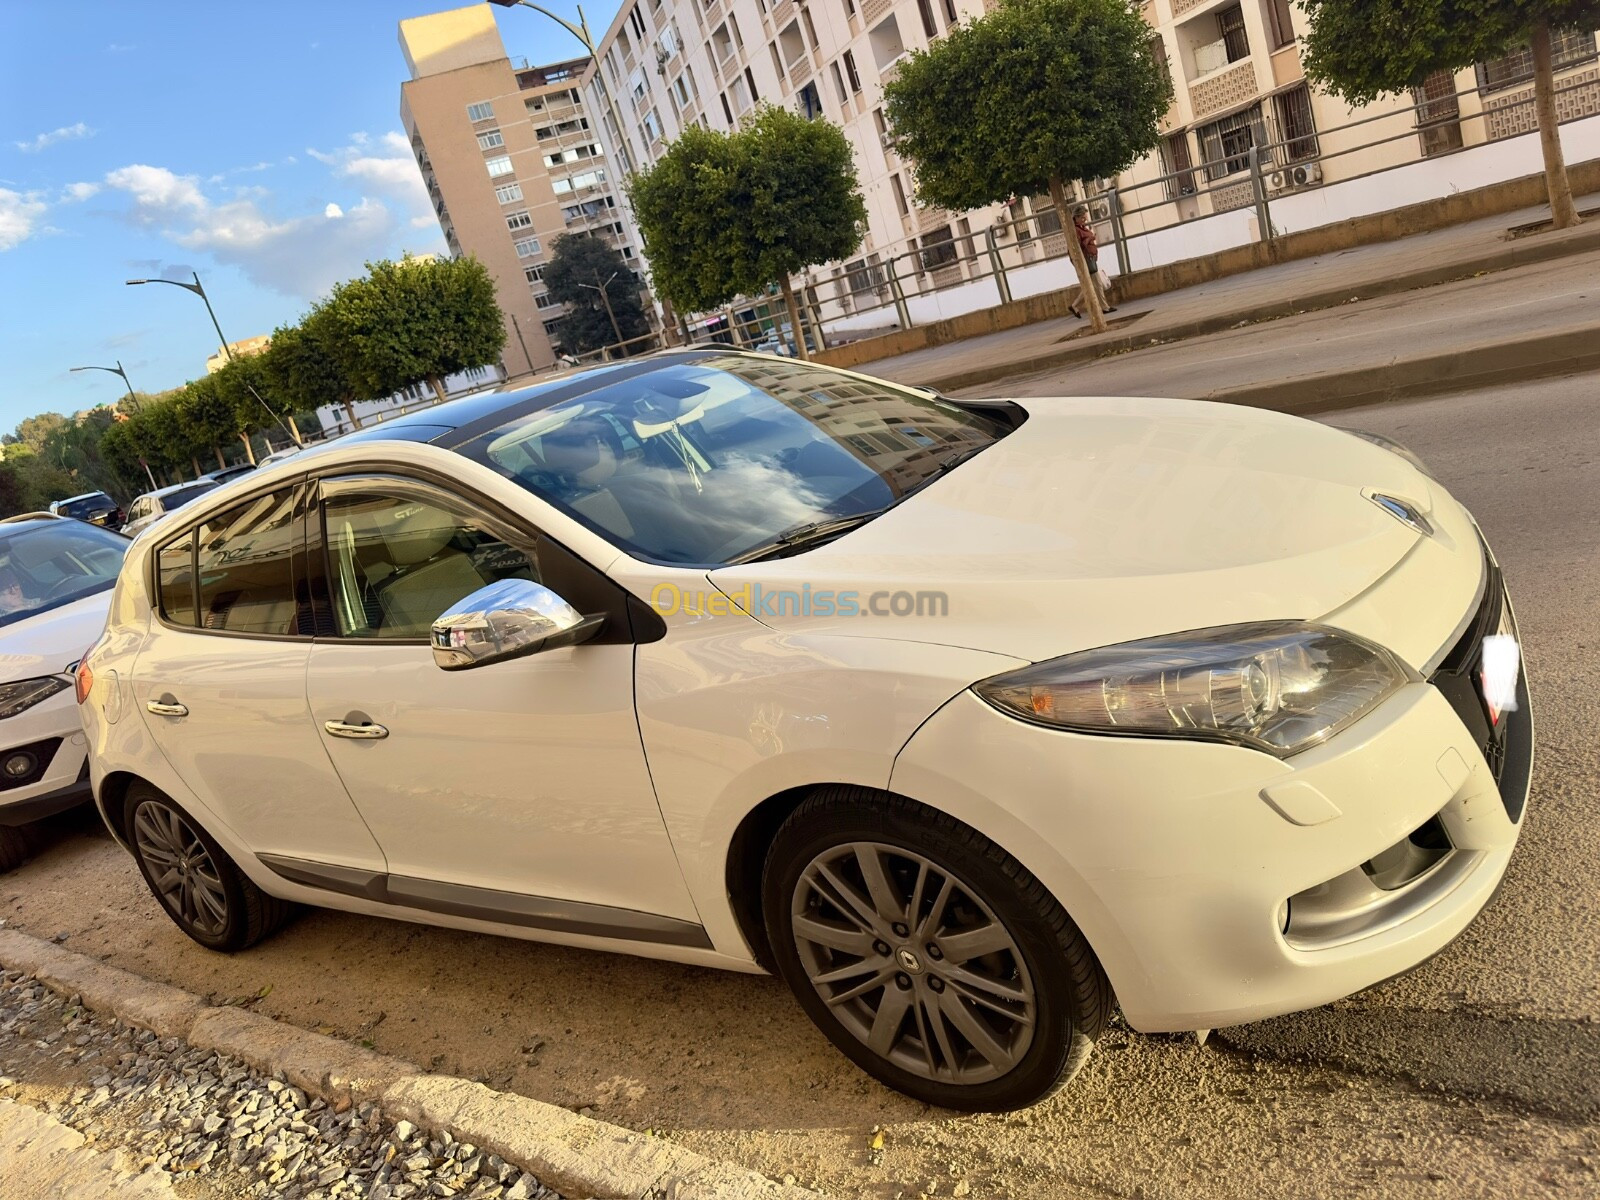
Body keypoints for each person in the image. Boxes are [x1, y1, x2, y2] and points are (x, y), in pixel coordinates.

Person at [1068, 205, 1117, 319]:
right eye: (1083, 218)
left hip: (1091, 259)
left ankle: (1074, 305)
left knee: (1089, 286)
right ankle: (1104, 307)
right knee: (1097, 284)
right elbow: (1080, 246)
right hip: (1086, 260)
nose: (1085, 220)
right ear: (1077, 217)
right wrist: (1091, 239)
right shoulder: (1076, 230)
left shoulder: (1082, 227)